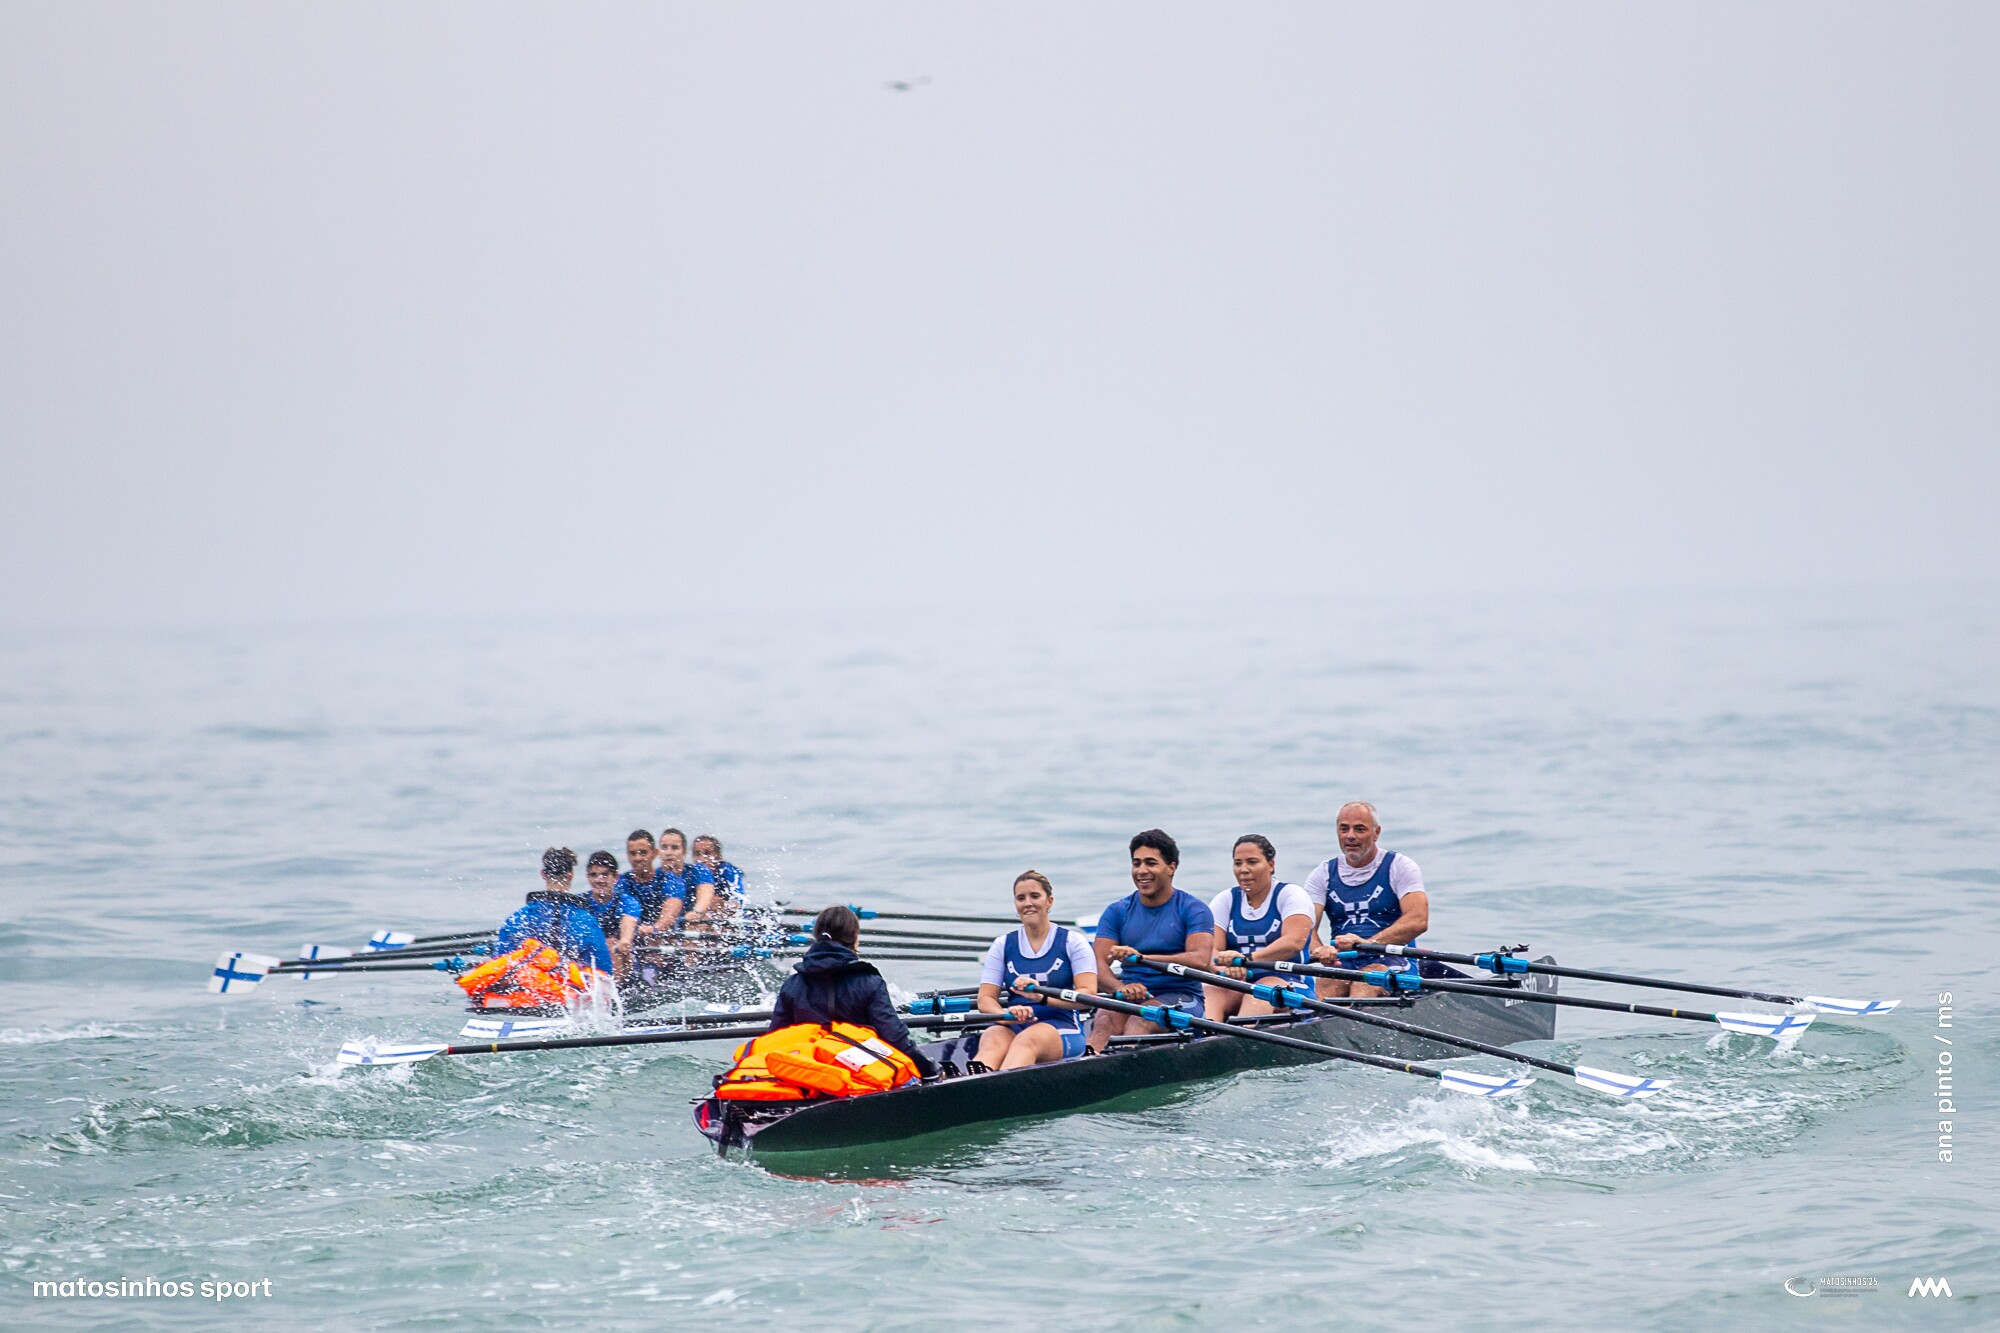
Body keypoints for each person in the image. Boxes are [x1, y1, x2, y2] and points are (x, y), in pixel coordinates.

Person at [767, 906, 940, 1078]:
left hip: (808, 1077)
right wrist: (930, 1070)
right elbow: (895, 1038)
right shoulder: (869, 982)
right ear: (855, 939)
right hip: (859, 1079)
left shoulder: (792, 984)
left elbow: (775, 1039)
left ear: (816, 937)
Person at [1087, 829, 1216, 1053]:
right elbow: (1096, 964)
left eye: (1151, 863)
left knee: (1141, 1019)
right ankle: (1085, 1069)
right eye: (1136, 863)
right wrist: (1121, 987)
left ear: (1172, 867)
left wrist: (1141, 958)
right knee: (1105, 1018)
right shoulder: (1117, 911)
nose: (1142, 871)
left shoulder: (1194, 909)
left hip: (1183, 998)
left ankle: (1121, 1068)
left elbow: (1200, 959)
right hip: (1132, 993)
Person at [1303, 802, 1430, 999]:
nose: (1350, 836)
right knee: (1328, 982)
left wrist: (1369, 943)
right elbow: (1304, 928)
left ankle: (1350, 1024)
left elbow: (1418, 920)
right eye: (1344, 829)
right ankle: (1323, 1025)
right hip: (1344, 962)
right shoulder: (1322, 874)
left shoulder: (1400, 866)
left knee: (1367, 980)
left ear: (1376, 833)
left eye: (1359, 829)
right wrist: (1318, 949)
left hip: (1393, 962)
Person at [975, 871, 1098, 1069]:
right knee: (992, 1037)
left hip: (1063, 1026)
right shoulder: (1002, 945)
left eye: (1035, 896)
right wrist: (1004, 1015)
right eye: (1020, 898)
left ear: (1049, 902)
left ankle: (999, 1092)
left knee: (1027, 1040)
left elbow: (1088, 996)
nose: (1027, 903)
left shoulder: (1073, 942)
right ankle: (969, 1090)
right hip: (1014, 1023)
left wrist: (1041, 997)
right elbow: (985, 1000)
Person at [1205, 834, 1315, 1019]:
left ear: (1271, 865)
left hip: (1290, 984)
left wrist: (1245, 960)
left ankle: (1240, 1038)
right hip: (1240, 982)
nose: (1243, 870)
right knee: (1210, 991)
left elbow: (1293, 943)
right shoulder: (1225, 900)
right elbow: (1210, 950)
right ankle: (1206, 1040)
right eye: (1238, 863)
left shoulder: (1291, 895)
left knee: (1262, 990)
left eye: (1252, 862)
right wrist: (1224, 969)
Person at [493, 847, 616, 976]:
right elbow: (604, 973)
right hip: (567, 991)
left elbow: (499, 963)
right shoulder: (585, 922)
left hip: (526, 989)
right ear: (570, 875)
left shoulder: (517, 919)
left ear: (543, 874)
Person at [582, 850, 641, 980]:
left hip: (625, 960)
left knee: (610, 943)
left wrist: (625, 940)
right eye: (594, 875)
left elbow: (628, 925)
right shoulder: (580, 902)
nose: (599, 880)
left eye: (604, 875)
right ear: (588, 877)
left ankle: (613, 991)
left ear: (615, 878)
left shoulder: (627, 902)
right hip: (590, 960)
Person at [617, 830, 682, 938]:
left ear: (654, 853)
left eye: (643, 852)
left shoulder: (669, 879)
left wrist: (655, 928)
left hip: (663, 936)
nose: (637, 858)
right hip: (632, 936)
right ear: (627, 855)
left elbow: (671, 910)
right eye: (633, 853)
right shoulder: (622, 882)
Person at [658, 827, 717, 926]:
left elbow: (706, 895)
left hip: (694, 923)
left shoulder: (698, 871)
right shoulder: (656, 876)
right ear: (658, 852)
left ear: (684, 852)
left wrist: (697, 912)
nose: (668, 853)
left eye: (675, 848)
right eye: (664, 847)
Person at [690, 835, 746, 916]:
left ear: (719, 857)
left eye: (707, 853)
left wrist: (722, 904)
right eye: (697, 854)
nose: (702, 859)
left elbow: (738, 901)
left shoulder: (729, 872)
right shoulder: (690, 873)